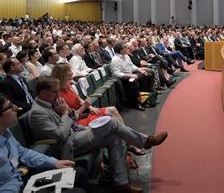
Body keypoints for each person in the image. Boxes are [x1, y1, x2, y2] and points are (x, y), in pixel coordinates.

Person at [28, 76, 168, 193]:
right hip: (67, 146)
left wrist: (68, 112)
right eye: (55, 91)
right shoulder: (37, 113)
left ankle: (122, 184)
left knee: (114, 138)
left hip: (76, 134)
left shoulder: (50, 102)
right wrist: (65, 114)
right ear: (43, 93)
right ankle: (145, 141)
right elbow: (60, 135)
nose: (58, 94)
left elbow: (75, 117)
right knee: (112, 123)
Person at [0, 93, 88, 193]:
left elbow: (23, 153)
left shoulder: (3, 132)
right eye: (10, 107)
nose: (16, 108)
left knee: (78, 173)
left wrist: (53, 162)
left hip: (25, 184)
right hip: (13, 189)